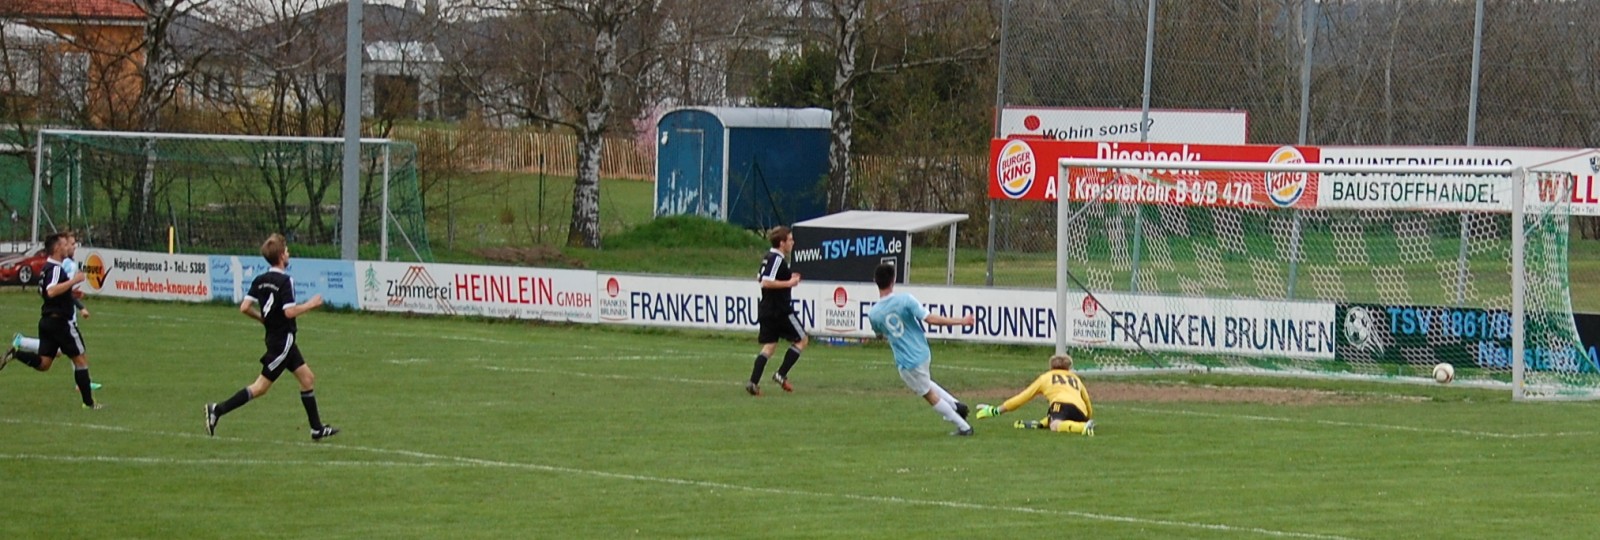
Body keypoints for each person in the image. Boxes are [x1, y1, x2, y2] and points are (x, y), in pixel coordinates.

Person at [204, 233, 339, 441]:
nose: (289, 253)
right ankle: (217, 410)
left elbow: (244, 307)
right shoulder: (286, 281)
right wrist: (311, 304)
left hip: (276, 339)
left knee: (307, 378)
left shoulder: (260, 280)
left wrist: (262, 319)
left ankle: (316, 429)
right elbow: (289, 312)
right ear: (281, 256)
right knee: (260, 387)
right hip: (282, 343)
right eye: (287, 251)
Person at [864, 263, 975, 436]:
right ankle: (956, 405)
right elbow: (930, 319)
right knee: (925, 382)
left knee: (927, 394)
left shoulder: (874, 314)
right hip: (922, 352)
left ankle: (964, 427)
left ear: (875, 281)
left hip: (907, 361)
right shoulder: (906, 300)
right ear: (893, 281)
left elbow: (879, 334)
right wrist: (961, 321)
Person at [0, 232, 100, 408]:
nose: (68, 247)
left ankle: (16, 354)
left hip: (47, 321)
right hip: (61, 323)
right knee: (80, 360)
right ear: (57, 248)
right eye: (64, 245)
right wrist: (74, 281)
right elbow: (51, 291)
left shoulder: (47, 268)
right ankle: (89, 403)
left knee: (44, 363)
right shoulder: (55, 269)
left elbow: (49, 292)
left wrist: (69, 295)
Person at [746, 226, 808, 396]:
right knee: (802, 339)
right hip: (780, 310)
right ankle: (781, 374)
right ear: (782, 243)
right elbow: (765, 282)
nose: (792, 243)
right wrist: (789, 283)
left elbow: (760, 277)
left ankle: (753, 382)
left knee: (769, 347)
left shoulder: (768, 257)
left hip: (767, 308)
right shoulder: (776, 259)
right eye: (790, 240)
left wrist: (789, 277)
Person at [974, 354, 1095, 436]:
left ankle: (1082, 428)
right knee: (1055, 417)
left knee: (1055, 425)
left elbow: (1022, 398)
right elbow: (1086, 400)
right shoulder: (1075, 378)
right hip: (1080, 411)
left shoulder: (1045, 378)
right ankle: (1041, 423)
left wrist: (996, 411)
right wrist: (1088, 416)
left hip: (1061, 404)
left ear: (1051, 367)